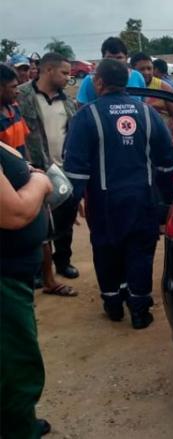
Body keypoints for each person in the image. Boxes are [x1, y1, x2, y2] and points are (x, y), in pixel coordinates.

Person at [63, 59, 173, 329]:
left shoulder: (86, 116)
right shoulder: (148, 114)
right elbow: (168, 160)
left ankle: (113, 304)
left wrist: (71, 205)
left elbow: (75, 169)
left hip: (103, 202)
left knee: (106, 250)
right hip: (142, 198)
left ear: (98, 83)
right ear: (127, 82)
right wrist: (165, 193)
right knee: (140, 252)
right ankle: (139, 311)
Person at [0, 139, 53, 438]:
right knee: (15, 372)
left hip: (13, 278)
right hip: (4, 282)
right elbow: (14, 214)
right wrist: (40, 181)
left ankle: (21, 422)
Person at [18, 53, 81, 297]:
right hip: (34, 170)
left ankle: (63, 262)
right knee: (37, 222)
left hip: (63, 169)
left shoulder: (68, 102)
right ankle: (38, 271)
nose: (69, 77)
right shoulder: (22, 96)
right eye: (64, 73)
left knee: (65, 219)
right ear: (48, 70)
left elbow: (72, 134)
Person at [131, 52, 173, 149]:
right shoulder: (129, 88)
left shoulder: (164, 88)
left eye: (149, 68)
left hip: (165, 143)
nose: (146, 72)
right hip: (139, 145)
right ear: (133, 71)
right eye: (142, 69)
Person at [76, 37, 145, 106]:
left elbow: (143, 104)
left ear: (126, 58)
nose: (115, 62)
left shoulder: (137, 77)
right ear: (103, 59)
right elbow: (81, 108)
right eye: (110, 58)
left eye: (119, 58)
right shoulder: (91, 80)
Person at [0, 65, 30, 158]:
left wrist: (29, 165)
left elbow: (24, 143)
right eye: (13, 87)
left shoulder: (14, 107)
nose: (18, 91)